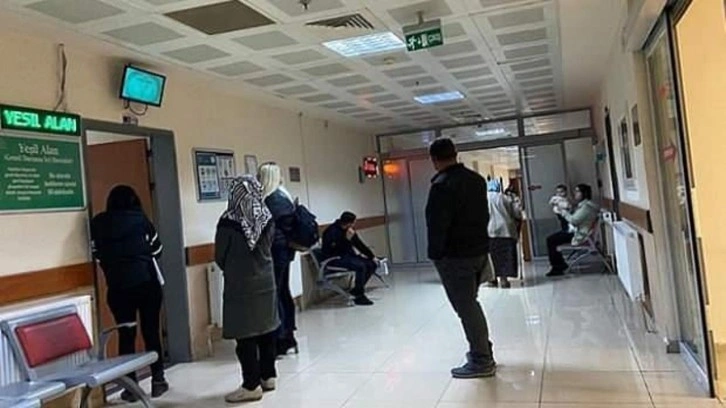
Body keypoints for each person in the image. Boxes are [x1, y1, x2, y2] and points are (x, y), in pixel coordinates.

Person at [425, 138, 496, 379]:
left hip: (455, 257)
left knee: (466, 307)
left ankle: (481, 359)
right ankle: (484, 350)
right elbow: (483, 216)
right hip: (478, 252)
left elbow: (437, 225)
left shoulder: (442, 186)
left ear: (434, 159)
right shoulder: (476, 180)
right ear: (455, 154)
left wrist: (436, 255)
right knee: (470, 303)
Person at [90, 185, 168, 401]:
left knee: (126, 335)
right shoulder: (141, 221)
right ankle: (158, 379)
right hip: (146, 284)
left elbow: (97, 254)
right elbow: (157, 250)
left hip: (118, 288)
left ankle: (131, 387)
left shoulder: (98, 224)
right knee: (151, 332)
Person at [215, 176, 279, 403]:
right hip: (266, 282)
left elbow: (220, 255)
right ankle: (268, 376)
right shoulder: (266, 217)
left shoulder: (228, 221)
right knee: (266, 330)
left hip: (240, 285)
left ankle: (251, 385)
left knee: (245, 336)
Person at [258, 162, 298, 356]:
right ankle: (288, 336)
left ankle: (281, 338)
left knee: (276, 294)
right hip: (284, 253)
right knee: (282, 292)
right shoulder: (283, 197)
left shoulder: (272, 200)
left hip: (275, 253)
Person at [321, 211, 378, 306]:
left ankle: (357, 289)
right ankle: (359, 296)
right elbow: (331, 250)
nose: (354, 225)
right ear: (349, 223)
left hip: (348, 257)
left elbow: (359, 244)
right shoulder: (331, 232)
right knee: (360, 266)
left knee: (371, 264)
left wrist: (372, 256)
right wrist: (346, 239)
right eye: (353, 222)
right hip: (335, 259)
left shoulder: (349, 231)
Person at [546, 183, 600, 277]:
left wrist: (563, 212)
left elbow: (574, 221)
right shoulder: (583, 206)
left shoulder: (586, 207)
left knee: (550, 240)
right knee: (554, 238)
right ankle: (560, 265)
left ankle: (558, 267)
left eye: (577, 191)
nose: (575, 193)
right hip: (578, 232)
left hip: (579, 235)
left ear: (584, 193)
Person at [487, 180, 523, 288]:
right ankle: (504, 280)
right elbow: (516, 213)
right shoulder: (505, 198)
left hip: (490, 231)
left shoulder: (483, 199)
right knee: (505, 256)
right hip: (506, 230)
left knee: (492, 256)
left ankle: (492, 279)